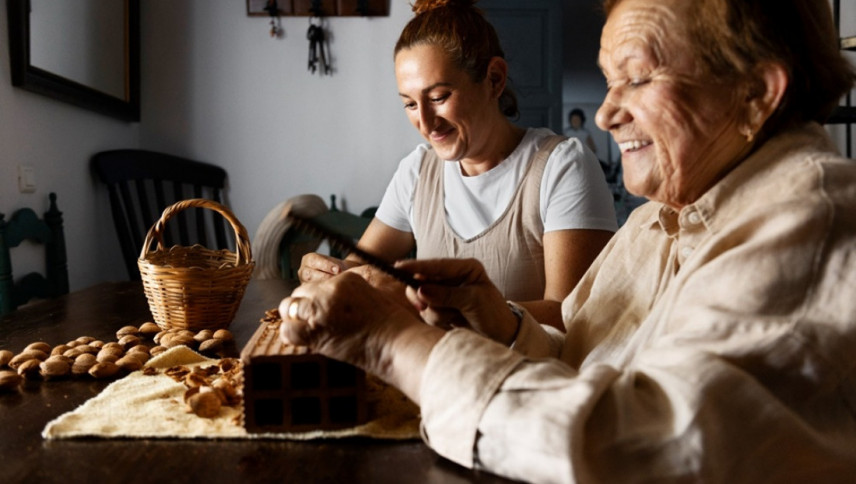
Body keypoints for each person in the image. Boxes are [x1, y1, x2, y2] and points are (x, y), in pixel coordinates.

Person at [278, 0, 856, 482]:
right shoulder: (661, 221)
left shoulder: (807, 221)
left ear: (757, 92)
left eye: (636, 78)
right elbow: (580, 350)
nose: (604, 114)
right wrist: (497, 318)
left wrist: (391, 343)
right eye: (609, 83)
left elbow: (634, 447)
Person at [297, 0, 617, 330]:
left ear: (494, 79)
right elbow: (355, 273)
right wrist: (327, 273)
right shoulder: (418, 171)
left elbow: (573, 318)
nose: (424, 122)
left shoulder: (562, 166)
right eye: (409, 103)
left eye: (438, 97)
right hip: (435, 376)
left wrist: (454, 309)